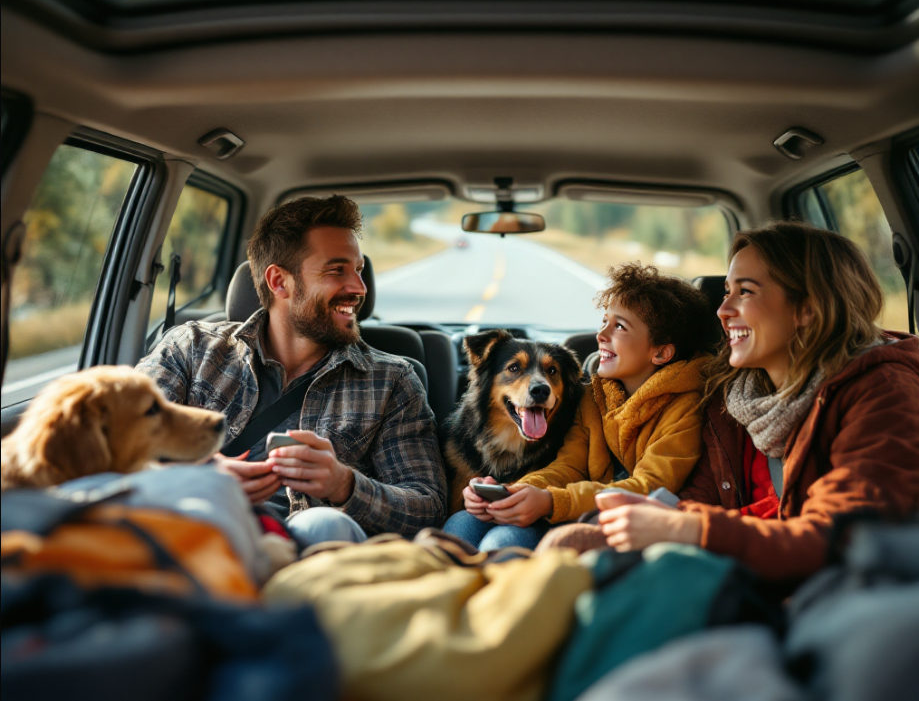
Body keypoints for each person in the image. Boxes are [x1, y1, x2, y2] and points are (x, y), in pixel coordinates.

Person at [542, 222, 919, 583]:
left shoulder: (882, 392)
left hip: (811, 597)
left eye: (746, 292)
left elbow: (848, 542)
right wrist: (651, 517)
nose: (723, 310)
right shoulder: (735, 392)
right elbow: (705, 497)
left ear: (808, 309)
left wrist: (687, 527)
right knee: (570, 543)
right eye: (726, 291)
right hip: (741, 566)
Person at [137, 195, 447, 548]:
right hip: (188, 533)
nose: (359, 288)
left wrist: (344, 485)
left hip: (307, 553)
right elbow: (113, 443)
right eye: (336, 270)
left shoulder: (392, 381)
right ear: (279, 282)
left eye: (358, 270)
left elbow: (429, 507)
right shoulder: (191, 349)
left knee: (323, 524)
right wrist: (201, 477)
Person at [444, 263, 713, 551]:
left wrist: (551, 501)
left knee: (503, 541)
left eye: (619, 326)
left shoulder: (686, 409)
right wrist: (516, 491)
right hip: (576, 510)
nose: (601, 335)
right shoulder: (594, 397)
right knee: (462, 523)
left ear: (660, 352)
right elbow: (569, 465)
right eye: (604, 322)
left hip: (623, 526)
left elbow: (648, 487)